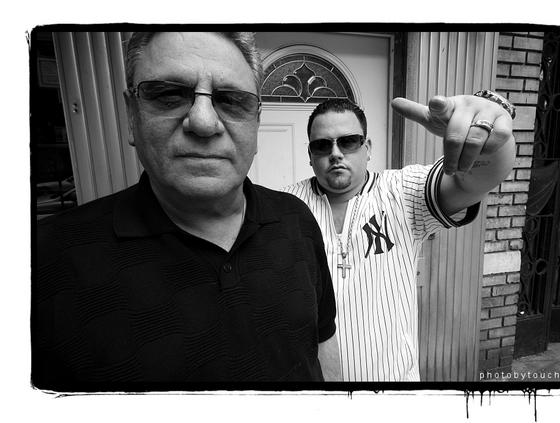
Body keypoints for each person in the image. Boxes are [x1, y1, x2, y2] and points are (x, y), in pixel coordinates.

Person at [32, 32, 340, 391]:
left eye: (231, 100)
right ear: (131, 114)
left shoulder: (296, 220)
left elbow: (321, 342)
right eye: (169, 95)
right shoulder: (44, 261)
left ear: (256, 122)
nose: (204, 122)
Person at [283, 94, 516, 381]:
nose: (335, 153)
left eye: (348, 141)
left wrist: (491, 135)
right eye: (322, 145)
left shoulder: (402, 193)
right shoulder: (285, 207)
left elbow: (476, 179)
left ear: (368, 148)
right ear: (310, 155)